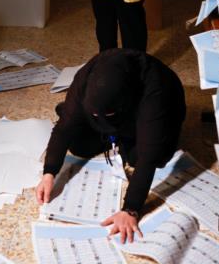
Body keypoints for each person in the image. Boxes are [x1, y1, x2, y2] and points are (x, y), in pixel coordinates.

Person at [35, 49, 186, 243]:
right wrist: (49, 173)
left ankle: (119, 134)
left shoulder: (156, 87)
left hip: (156, 109)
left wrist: (131, 209)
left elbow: (149, 157)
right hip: (111, 107)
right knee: (78, 143)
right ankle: (108, 127)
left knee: (145, 157)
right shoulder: (86, 78)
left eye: (106, 115)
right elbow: (63, 129)